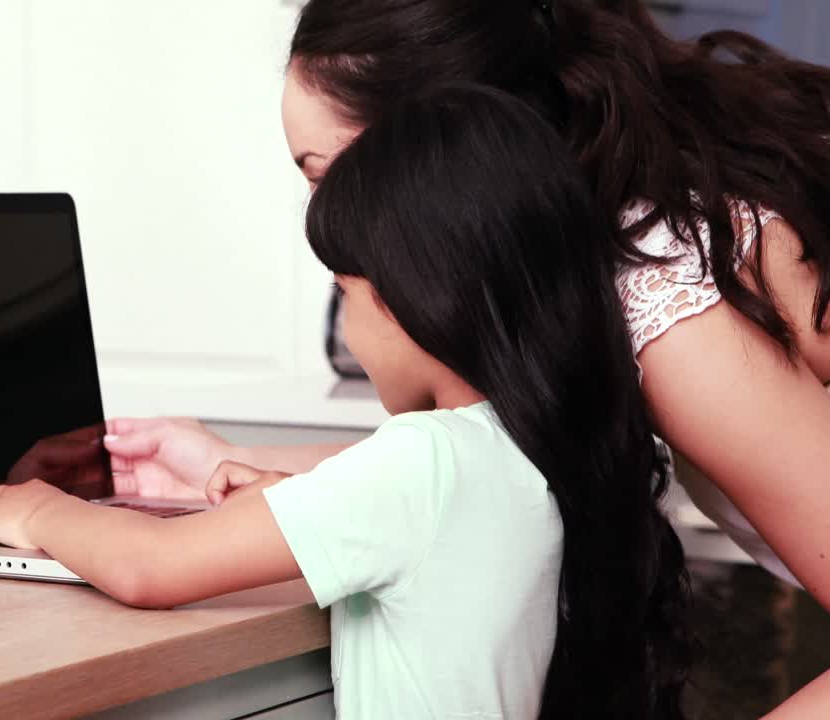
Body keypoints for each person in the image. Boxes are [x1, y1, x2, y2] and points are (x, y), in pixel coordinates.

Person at [104, 2, 830, 714]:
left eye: (330, 178)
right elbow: (471, 465)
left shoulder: (668, 309)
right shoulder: (584, 273)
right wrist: (229, 460)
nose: (326, 223)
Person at [0, 84, 690, 719]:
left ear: (418, 297)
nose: (346, 326)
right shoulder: (530, 443)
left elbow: (151, 568)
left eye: (345, 291)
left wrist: (41, 510)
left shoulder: (424, 459)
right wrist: (292, 498)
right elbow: (420, 532)